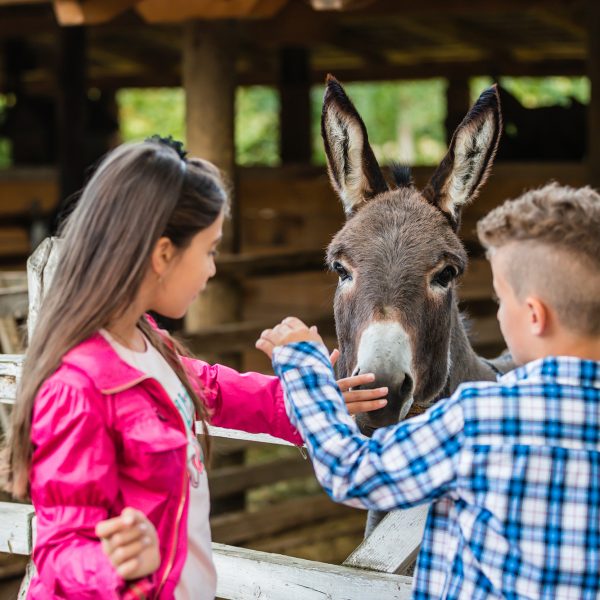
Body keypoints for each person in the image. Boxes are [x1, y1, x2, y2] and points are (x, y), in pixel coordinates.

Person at [1, 137, 387, 600]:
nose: (211, 270)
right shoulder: (77, 387)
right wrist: (118, 568)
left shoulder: (146, 344)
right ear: (163, 254)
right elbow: (64, 547)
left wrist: (307, 400)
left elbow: (214, 390)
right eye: (208, 250)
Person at [257, 182, 600, 599]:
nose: (497, 310)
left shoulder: (479, 420)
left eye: (499, 299)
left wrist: (303, 370)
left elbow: (352, 471)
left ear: (533, 316)